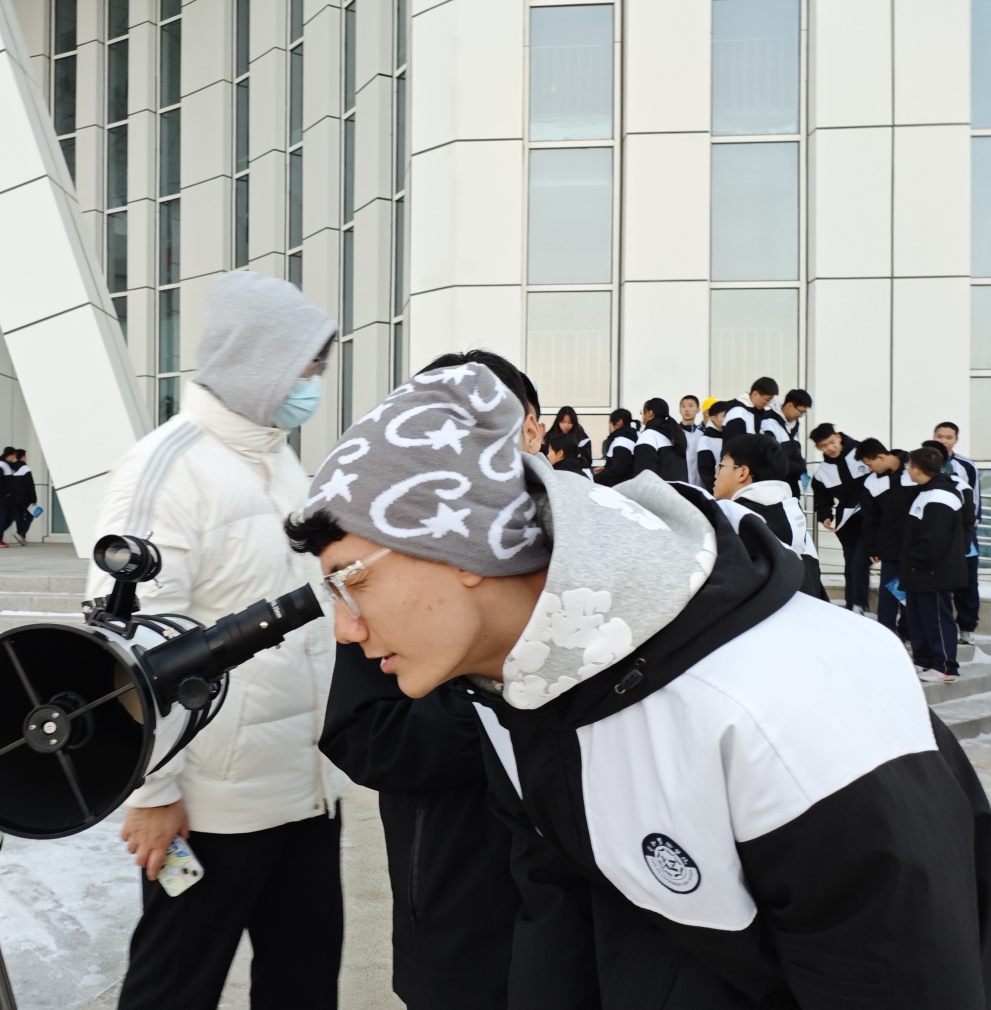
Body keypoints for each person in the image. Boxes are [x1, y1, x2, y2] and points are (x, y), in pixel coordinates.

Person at [286, 363, 991, 1010]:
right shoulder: (517, 691)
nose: (345, 629)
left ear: (462, 543)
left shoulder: (784, 700)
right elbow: (562, 926)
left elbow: (901, 972)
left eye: (352, 580)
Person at [90, 270, 346, 1010]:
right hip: (208, 809)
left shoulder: (278, 460)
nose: (312, 384)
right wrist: (153, 794)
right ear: (259, 360)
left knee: (304, 988)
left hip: (302, 790)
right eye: (306, 367)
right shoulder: (166, 469)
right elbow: (123, 649)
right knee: (173, 991)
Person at [320, 348, 533, 1010]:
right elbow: (360, 733)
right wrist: (496, 708)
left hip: (578, 929)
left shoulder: (589, 578)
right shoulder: (387, 591)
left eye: (511, 425)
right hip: (451, 909)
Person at [714, 434, 825, 600]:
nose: (716, 474)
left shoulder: (734, 519)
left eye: (721, 466)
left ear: (742, 473)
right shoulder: (793, 516)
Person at [902, 445, 971, 682]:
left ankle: (945, 667)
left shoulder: (941, 495)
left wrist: (915, 559)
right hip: (919, 571)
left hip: (934, 570)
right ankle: (924, 660)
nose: (907, 469)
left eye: (909, 465)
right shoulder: (925, 492)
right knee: (918, 618)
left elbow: (935, 538)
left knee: (937, 619)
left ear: (917, 468)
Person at [856, 438, 917, 637]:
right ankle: (885, 634)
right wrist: (872, 547)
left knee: (913, 593)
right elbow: (870, 518)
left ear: (881, 457)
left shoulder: (913, 469)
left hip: (917, 547)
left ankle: (909, 634)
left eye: (870, 464)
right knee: (888, 593)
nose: (870, 469)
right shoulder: (872, 482)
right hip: (890, 546)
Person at [810, 422, 870, 613]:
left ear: (838, 437)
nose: (830, 448)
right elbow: (822, 500)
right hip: (847, 523)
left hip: (873, 519)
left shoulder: (863, 452)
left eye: (832, 442)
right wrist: (825, 516)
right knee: (852, 562)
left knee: (861, 562)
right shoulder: (822, 473)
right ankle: (854, 605)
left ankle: (859, 603)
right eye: (823, 446)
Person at [933, 421, 982, 645]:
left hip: (963, 532)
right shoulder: (923, 461)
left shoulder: (966, 466)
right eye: (939, 436)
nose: (943, 440)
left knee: (967, 580)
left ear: (956, 439)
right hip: (936, 532)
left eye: (948, 437)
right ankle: (937, 626)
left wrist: (968, 529)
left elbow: (975, 499)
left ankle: (967, 626)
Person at [632, 397, 688, 483]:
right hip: (679, 490)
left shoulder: (648, 436)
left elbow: (644, 476)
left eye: (642, 412)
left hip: (660, 490)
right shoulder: (675, 435)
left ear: (650, 413)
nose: (642, 416)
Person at [718, 376, 779, 443]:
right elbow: (734, 445)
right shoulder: (737, 413)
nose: (768, 403)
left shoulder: (757, 412)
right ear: (755, 394)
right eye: (767, 400)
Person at [776, 389, 812, 496]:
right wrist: (797, 468)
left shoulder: (794, 424)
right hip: (776, 484)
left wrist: (802, 467)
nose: (801, 415)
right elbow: (772, 457)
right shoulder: (769, 422)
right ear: (790, 405)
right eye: (801, 411)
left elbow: (796, 452)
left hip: (792, 484)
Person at [595, 408, 637, 487]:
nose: (610, 426)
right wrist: (605, 469)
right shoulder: (634, 436)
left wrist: (594, 479)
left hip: (620, 487)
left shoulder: (622, 441)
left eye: (611, 422)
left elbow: (617, 471)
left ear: (619, 422)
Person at [692, 400, 727, 493]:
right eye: (723, 416)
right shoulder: (705, 439)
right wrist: (715, 490)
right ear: (713, 418)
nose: (727, 419)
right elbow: (705, 470)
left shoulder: (731, 435)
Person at [547, 406, 592, 471]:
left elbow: (587, 461)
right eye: (562, 422)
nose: (566, 426)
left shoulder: (582, 440)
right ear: (558, 422)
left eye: (570, 423)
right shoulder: (551, 436)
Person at [9, 447, 37, 546]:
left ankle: (21, 538)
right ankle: (21, 533)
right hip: (25, 498)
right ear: (23, 457)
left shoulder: (11, 468)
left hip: (14, 498)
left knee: (19, 517)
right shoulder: (25, 468)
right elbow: (30, 485)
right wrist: (34, 498)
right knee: (30, 516)